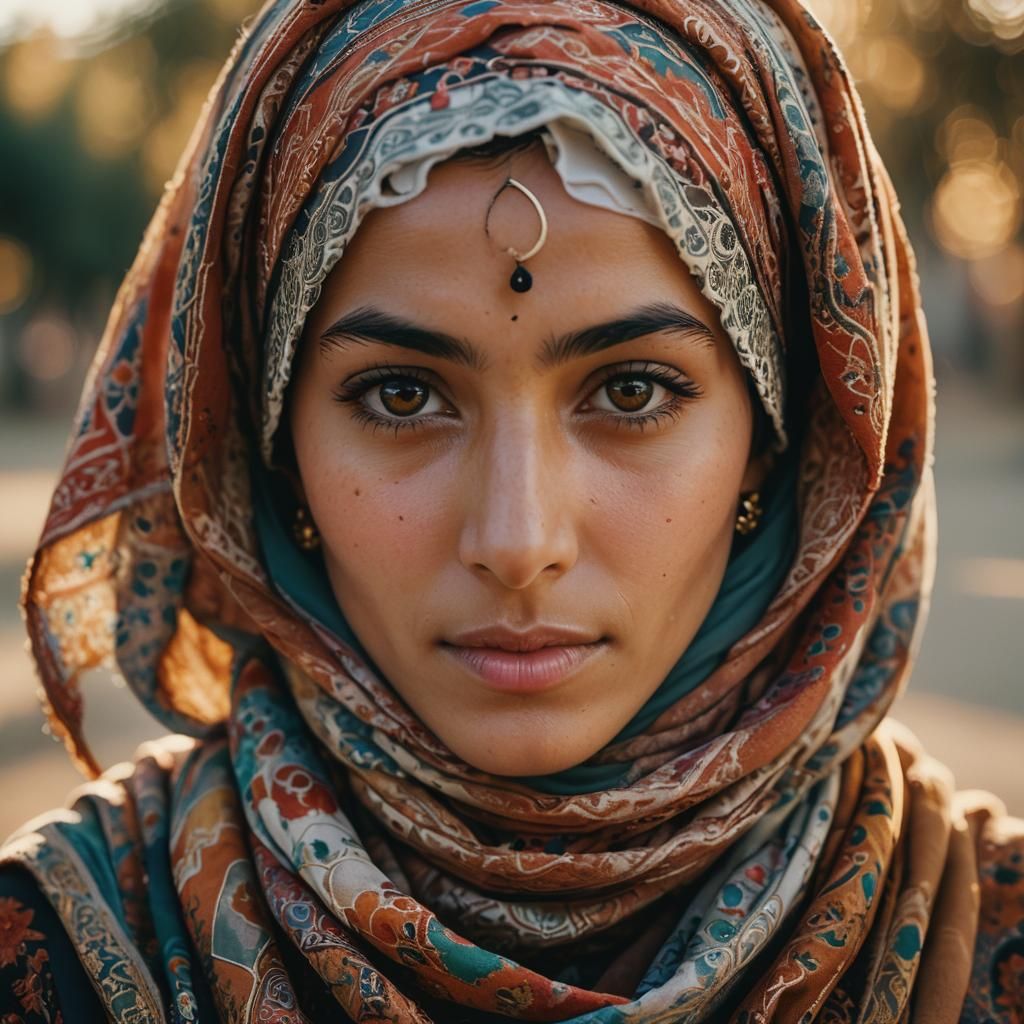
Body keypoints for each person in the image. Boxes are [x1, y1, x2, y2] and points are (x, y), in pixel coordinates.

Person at [1, 0, 1021, 1020]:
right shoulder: (54, 950)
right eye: (403, 396)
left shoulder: (986, 932)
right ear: (271, 450)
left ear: (777, 432)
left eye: (632, 391)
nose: (518, 541)